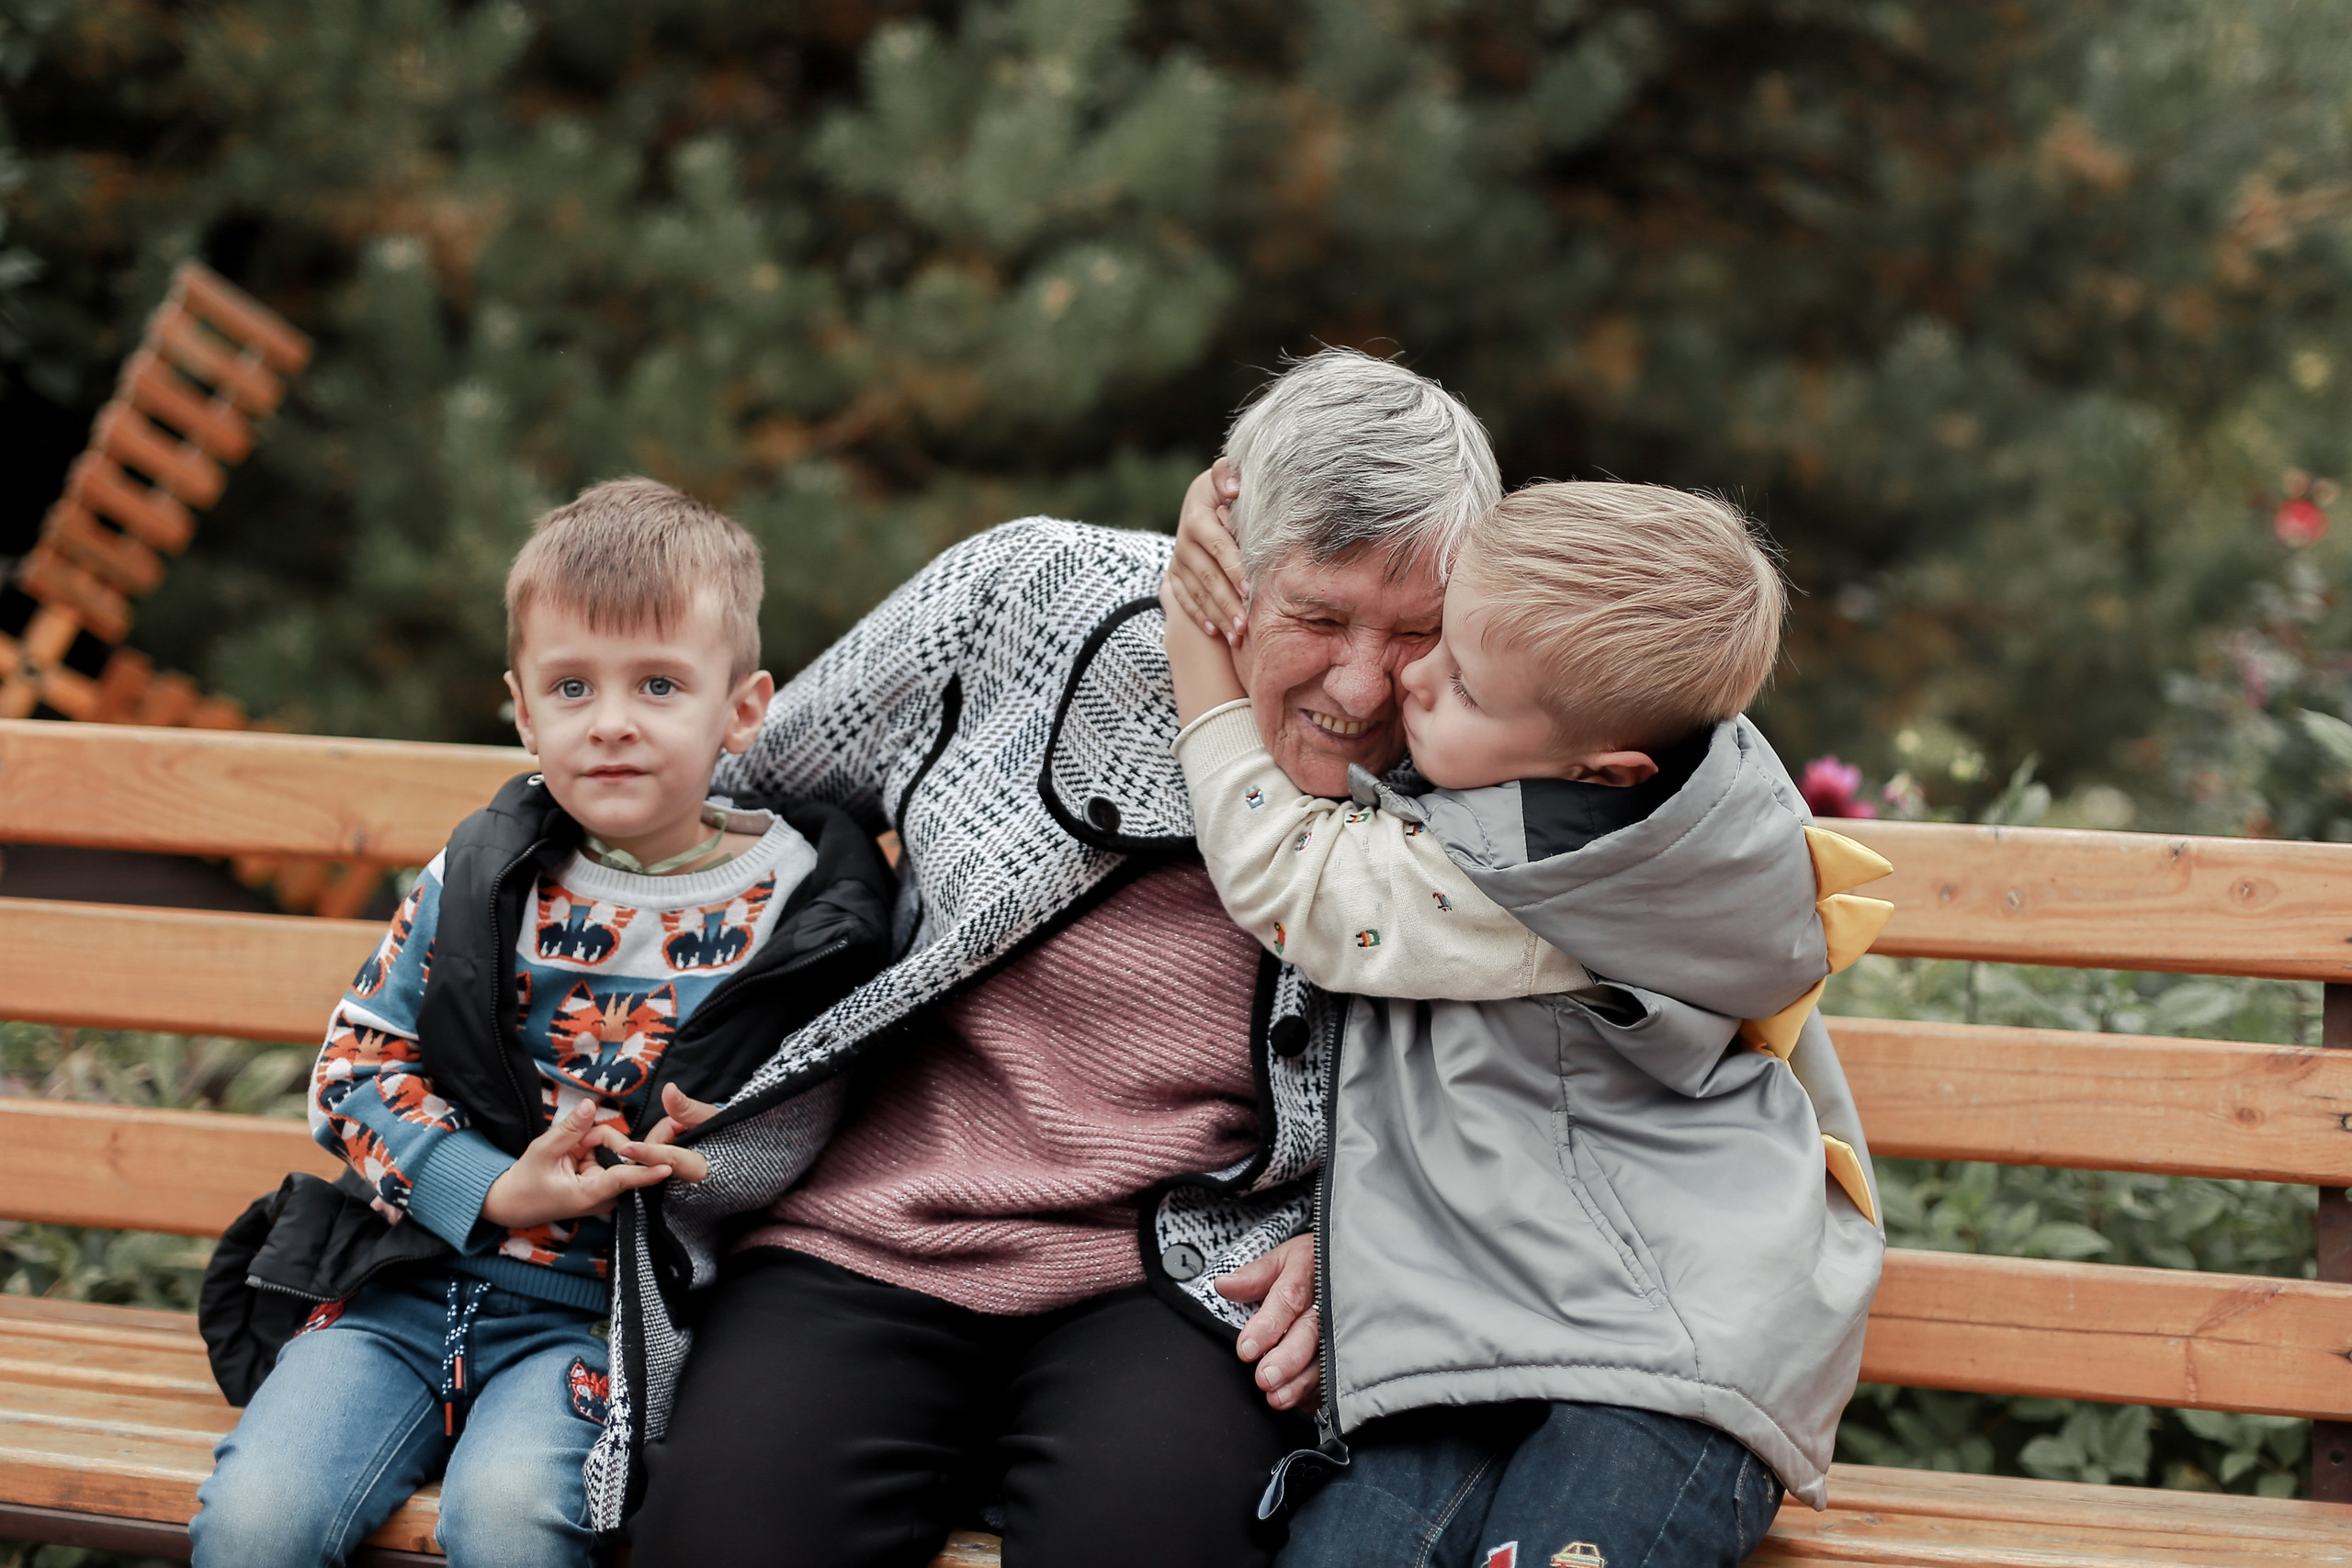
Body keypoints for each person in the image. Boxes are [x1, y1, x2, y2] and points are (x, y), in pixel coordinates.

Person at [595, 347, 1498, 1568]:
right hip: (870, 1230)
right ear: (1229, 558)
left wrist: (1369, 1245)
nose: (1360, 682)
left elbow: (1561, 1071)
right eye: (1320, 616)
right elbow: (736, 796)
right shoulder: (1029, 599)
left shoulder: (1498, 750)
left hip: (1194, 1275)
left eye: (1416, 633)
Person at [1160, 477, 1890, 1568]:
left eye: (1453, 678)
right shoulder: (1602, 780)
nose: (1407, 674)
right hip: (1483, 1329)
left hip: (1664, 1361)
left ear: (1600, 772)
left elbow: (1293, 884)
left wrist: (1197, 637)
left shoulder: (1554, 878)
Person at [188, 479, 895, 1568]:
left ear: (743, 709)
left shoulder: (805, 915)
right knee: (257, 1521)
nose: (611, 721)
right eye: (572, 686)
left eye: (659, 684)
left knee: (514, 1522)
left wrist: (727, 1154)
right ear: (522, 710)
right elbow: (353, 1066)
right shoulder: (482, 876)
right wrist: (492, 1186)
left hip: (598, 1325)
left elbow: (835, 1127)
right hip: (400, 1289)